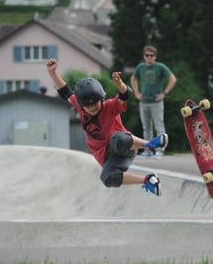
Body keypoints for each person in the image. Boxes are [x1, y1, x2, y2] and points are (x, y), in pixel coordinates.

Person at [46, 58, 167, 196]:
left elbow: (125, 94)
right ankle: (148, 180)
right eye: (88, 106)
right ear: (82, 105)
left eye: (95, 104)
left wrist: (119, 84)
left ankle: (149, 145)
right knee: (108, 178)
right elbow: (65, 91)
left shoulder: (110, 106)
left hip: (124, 145)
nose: (92, 108)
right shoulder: (80, 106)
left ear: (101, 100)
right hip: (109, 157)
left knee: (116, 138)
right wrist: (52, 73)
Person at [130, 45, 177, 158]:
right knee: (146, 127)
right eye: (147, 55)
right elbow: (133, 78)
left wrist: (164, 93)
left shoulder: (160, 67)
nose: (149, 58)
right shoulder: (141, 67)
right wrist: (136, 92)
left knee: (159, 126)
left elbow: (173, 78)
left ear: (155, 56)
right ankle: (148, 149)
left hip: (156, 101)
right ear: (144, 56)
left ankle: (160, 149)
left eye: (152, 55)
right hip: (144, 101)